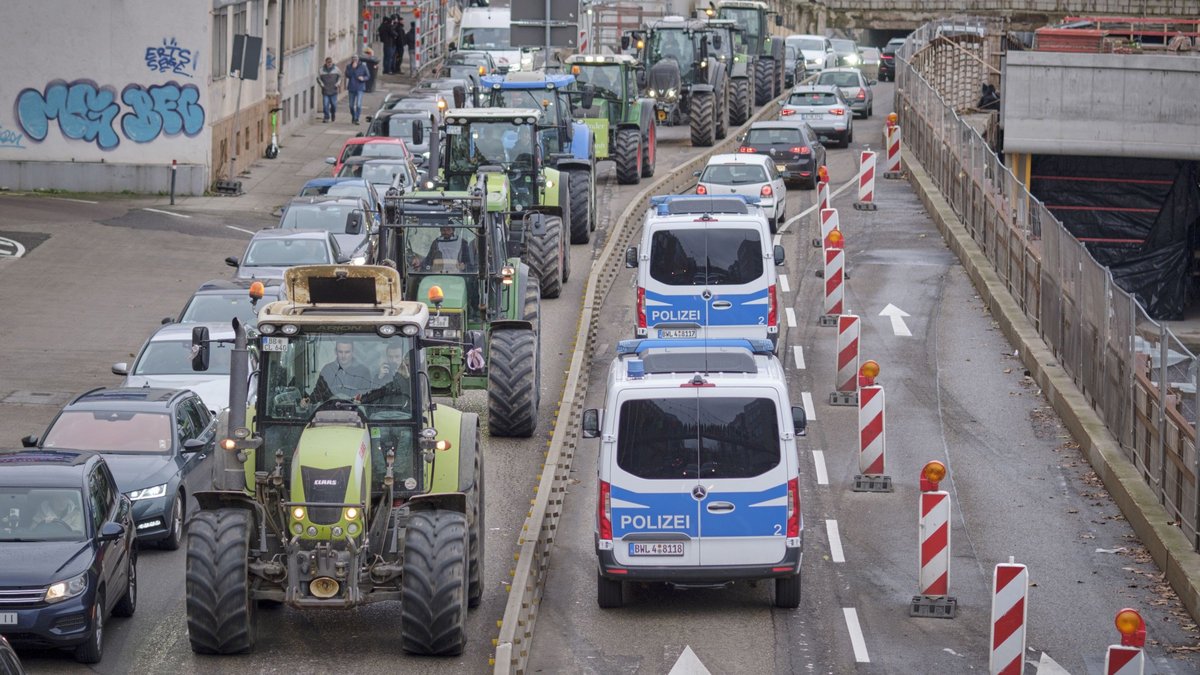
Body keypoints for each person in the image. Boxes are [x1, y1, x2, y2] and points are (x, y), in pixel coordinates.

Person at [308, 340, 373, 403]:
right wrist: (308, 401)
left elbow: (367, 395)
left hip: (355, 410)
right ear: (335, 352)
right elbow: (318, 393)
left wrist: (361, 400)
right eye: (340, 352)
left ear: (353, 352)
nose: (343, 356)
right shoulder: (327, 370)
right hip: (329, 410)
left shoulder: (363, 371)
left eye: (347, 352)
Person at [345, 55, 370, 124]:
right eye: (353, 59)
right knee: (351, 105)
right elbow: (347, 75)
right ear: (352, 60)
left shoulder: (363, 66)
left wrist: (363, 78)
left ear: (358, 59)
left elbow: (368, 76)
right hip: (351, 88)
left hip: (360, 88)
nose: (355, 60)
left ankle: (357, 118)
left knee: (358, 105)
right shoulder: (349, 66)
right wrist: (353, 69)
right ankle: (353, 116)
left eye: (356, 59)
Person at [317, 57, 340, 123]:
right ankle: (326, 117)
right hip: (325, 91)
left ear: (332, 63)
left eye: (330, 62)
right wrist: (322, 85)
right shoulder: (321, 70)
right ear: (326, 63)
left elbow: (340, 77)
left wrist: (337, 84)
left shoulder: (336, 69)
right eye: (328, 63)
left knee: (334, 105)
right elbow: (318, 78)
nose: (329, 64)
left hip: (333, 90)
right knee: (325, 104)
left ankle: (333, 114)